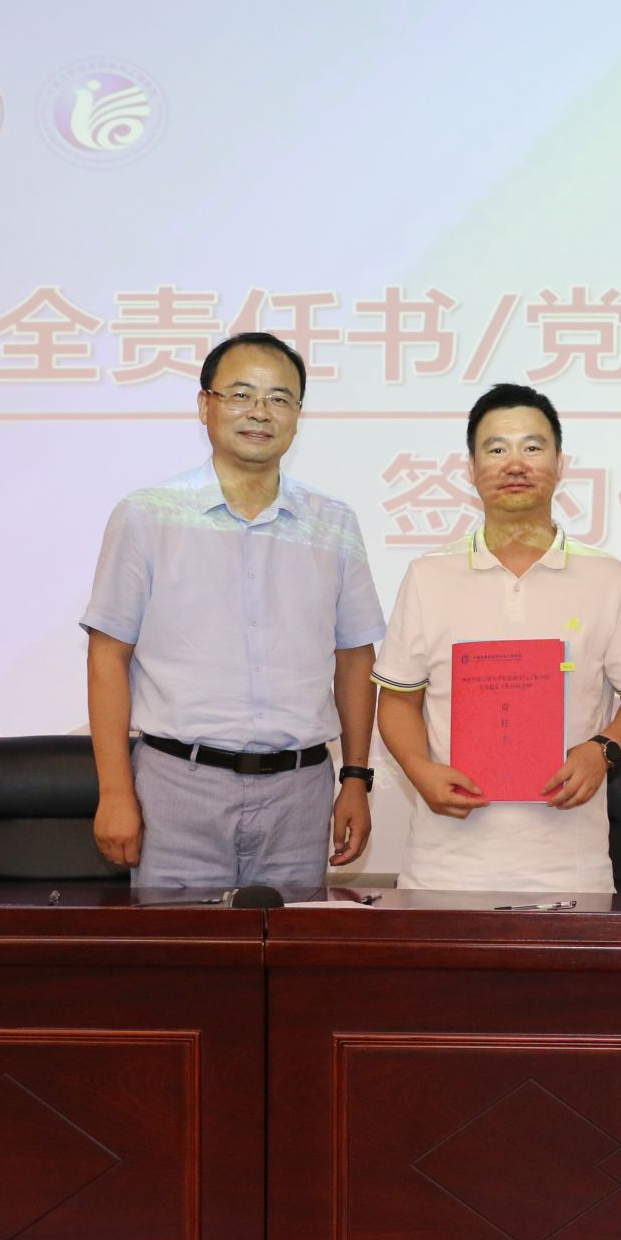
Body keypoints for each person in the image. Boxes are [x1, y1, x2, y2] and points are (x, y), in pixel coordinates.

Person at [80, 332, 384, 888]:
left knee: (293, 946)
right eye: (241, 394)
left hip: (301, 792)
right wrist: (115, 791)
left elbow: (356, 658)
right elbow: (107, 659)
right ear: (205, 405)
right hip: (177, 788)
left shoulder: (333, 523)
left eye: (279, 398)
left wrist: (357, 778)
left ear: (298, 415)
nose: (259, 412)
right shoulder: (147, 516)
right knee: (182, 947)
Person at [374, 384, 621, 892]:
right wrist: (419, 769)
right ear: (471, 468)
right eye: (496, 449)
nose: (515, 464)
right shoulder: (427, 575)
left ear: (559, 463)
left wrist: (601, 750)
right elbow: (398, 701)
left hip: (570, 871)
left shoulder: (608, 578)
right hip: (444, 868)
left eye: (532, 447)